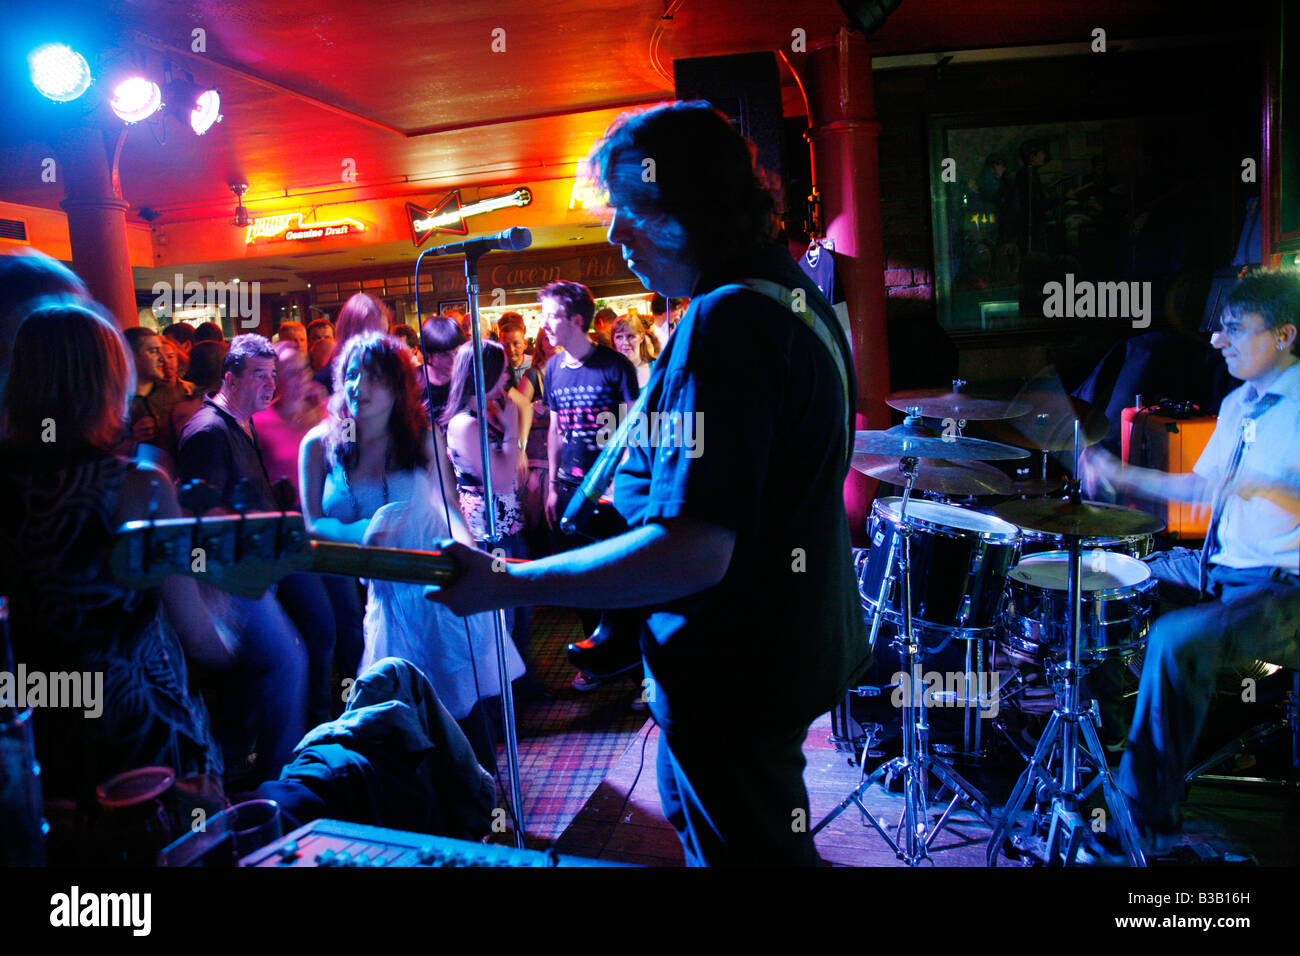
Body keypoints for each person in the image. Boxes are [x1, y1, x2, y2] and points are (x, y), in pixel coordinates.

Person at [427, 102, 870, 865]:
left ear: (687, 206)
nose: (613, 236)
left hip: (735, 672)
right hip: (778, 651)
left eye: (628, 213)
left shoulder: (727, 319)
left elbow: (695, 551)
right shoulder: (789, 296)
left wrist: (507, 581)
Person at [1082, 269, 1300, 851]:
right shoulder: (1237, 404)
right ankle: (1113, 763)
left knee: (1176, 640)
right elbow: (1201, 487)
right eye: (1219, 329)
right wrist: (1118, 472)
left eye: (1234, 329)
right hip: (1217, 569)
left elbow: (1258, 492)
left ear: (1284, 334)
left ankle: (1142, 815)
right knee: (1097, 584)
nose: (1216, 340)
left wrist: (1267, 490)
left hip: (1285, 591)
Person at [0, 302, 231, 845]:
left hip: (39, 733)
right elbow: (202, 640)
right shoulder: (139, 487)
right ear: (106, 383)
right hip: (139, 740)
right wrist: (232, 599)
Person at [300, 331, 521, 770]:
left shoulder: (421, 439)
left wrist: (474, 563)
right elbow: (312, 527)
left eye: (372, 379)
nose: (356, 388)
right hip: (384, 596)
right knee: (401, 717)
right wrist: (367, 529)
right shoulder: (321, 444)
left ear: (398, 386)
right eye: (350, 376)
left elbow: (451, 509)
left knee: (465, 717)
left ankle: (486, 816)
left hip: (439, 587)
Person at [176, 333, 308, 784]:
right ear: (229, 377)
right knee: (288, 662)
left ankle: (256, 776)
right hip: (229, 580)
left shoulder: (241, 422)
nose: (269, 385)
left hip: (250, 571)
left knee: (256, 684)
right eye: (259, 375)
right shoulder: (208, 431)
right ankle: (279, 785)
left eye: (273, 376)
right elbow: (199, 513)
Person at [539, 280, 639, 690]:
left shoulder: (616, 366)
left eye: (551, 317)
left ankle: (633, 670)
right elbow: (556, 427)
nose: (544, 325)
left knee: (620, 579)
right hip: (569, 490)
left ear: (576, 320)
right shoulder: (552, 368)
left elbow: (636, 428)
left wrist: (622, 483)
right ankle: (594, 660)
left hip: (611, 492)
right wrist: (550, 482)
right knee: (580, 578)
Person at [442, 339, 534, 668]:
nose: (509, 374)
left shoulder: (486, 413)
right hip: (490, 534)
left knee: (522, 612)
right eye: (504, 368)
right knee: (503, 622)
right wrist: (511, 435)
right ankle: (506, 702)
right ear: (486, 373)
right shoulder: (465, 424)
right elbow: (498, 477)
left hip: (510, 525)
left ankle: (525, 686)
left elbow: (523, 404)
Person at [497, 312, 549, 551]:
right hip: (532, 454)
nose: (511, 349)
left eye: (516, 343)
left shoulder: (533, 368)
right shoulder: (502, 372)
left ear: (526, 343)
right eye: (506, 344)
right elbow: (520, 410)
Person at [123, 326, 186, 468]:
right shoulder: (114, 403)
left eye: (162, 351)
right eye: (153, 351)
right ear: (131, 356)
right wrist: (132, 440)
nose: (162, 359)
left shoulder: (177, 394)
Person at [316, 293, 390, 394]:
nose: (380, 343)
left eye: (384, 334)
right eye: (373, 336)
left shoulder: (385, 374)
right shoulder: (323, 385)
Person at [419, 314, 466, 424]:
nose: (453, 361)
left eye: (457, 353)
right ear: (428, 353)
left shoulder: (467, 378)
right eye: (444, 355)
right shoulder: (413, 381)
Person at [612, 312, 660, 388]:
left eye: (631, 336)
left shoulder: (657, 368)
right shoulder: (606, 372)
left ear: (642, 337)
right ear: (613, 339)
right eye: (619, 337)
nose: (625, 342)